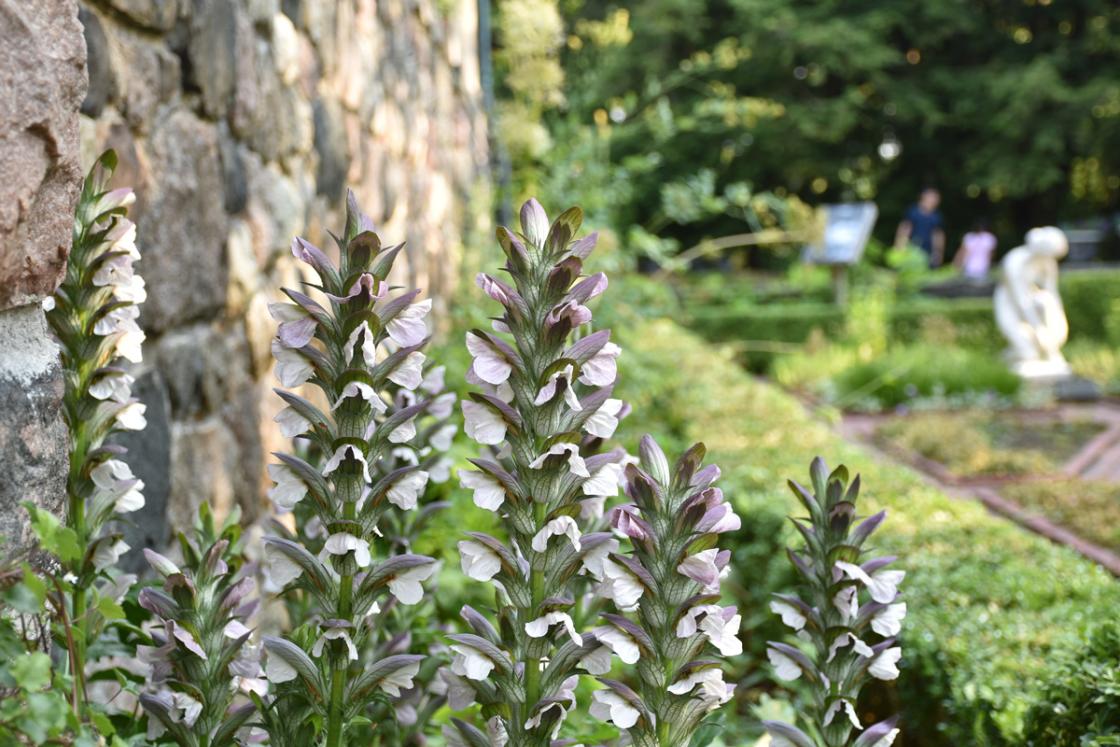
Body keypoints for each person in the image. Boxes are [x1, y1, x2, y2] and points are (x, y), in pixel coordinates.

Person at [894, 187, 946, 267]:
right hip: (911, 247)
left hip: (927, 252)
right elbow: (904, 228)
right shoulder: (913, 211)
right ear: (923, 197)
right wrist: (900, 245)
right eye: (932, 197)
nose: (935, 200)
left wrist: (938, 253)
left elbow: (938, 235)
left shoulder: (937, 216)